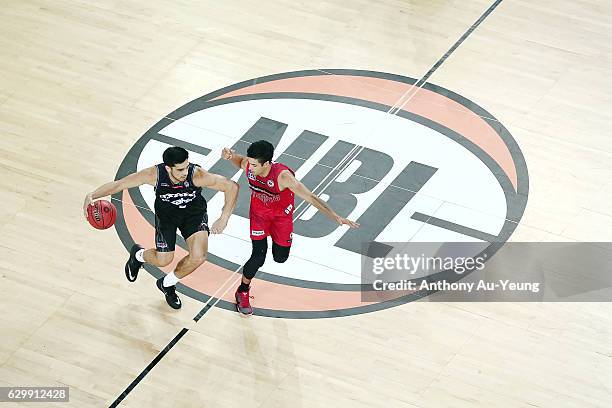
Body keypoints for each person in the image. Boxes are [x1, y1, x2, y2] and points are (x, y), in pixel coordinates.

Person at [83, 146, 238, 309]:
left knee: (199, 257)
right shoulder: (153, 175)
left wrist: (224, 218)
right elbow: (119, 184)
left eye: (186, 166)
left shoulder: (197, 175)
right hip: (167, 217)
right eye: (180, 170)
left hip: (194, 215)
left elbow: (232, 187)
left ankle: (167, 284)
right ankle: (138, 255)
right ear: (168, 168)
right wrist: (92, 195)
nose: (185, 172)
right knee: (163, 260)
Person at [222, 140, 359, 315]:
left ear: (267, 163)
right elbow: (241, 162)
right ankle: (242, 291)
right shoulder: (250, 165)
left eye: (255, 165)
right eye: (251, 163)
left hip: (281, 219)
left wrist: (336, 216)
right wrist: (231, 156)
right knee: (258, 256)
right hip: (259, 216)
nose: (250, 167)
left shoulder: (283, 177)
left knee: (280, 258)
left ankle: (273, 252)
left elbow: (312, 198)